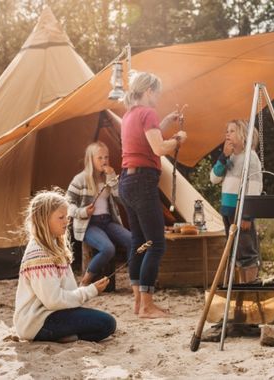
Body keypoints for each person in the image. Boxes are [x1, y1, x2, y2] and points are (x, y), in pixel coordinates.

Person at [118, 71, 187, 319]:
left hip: (126, 180)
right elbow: (158, 147)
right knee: (156, 244)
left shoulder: (129, 115)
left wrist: (166, 121)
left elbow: (148, 136)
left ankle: (138, 303)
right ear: (148, 91)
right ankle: (148, 306)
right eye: (157, 92)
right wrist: (178, 139)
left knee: (139, 242)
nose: (158, 96)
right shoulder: (148, 113)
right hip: (142, 181)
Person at [13, 189, 116, 343]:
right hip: (36, 322)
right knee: (106, 323)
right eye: (60, 217)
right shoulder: (39, 253)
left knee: (103, 321)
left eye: (66, 217)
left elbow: (65, 294)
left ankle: (63, 335)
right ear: (43, 220)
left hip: (53, 313)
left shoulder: (53, 245)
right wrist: (90, 291)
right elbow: (53, 301)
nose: (66, 222)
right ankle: (58, 335)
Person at [67, 141, 131, 286]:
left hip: (107, 221)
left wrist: (113, 178)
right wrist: (82, 211)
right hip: (89, 224)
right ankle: (85, 281)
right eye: (100, 158)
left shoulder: (109, 176)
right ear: (91, 159)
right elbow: (67, 204)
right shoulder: (80, 179)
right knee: (108, 249)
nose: (104, 161)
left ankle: (135, 280)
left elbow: (120, 199)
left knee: (131, 240)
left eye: (106, 157)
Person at [210, 119, 262, 283]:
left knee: (246, 252)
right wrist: (223, 157)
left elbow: (255, 187)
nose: (227, 134)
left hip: (241, 212)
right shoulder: (229, 157)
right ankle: (241, 288)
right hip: (228, 211)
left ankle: (250, 287)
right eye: (227, 131)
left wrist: (248, 216)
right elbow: (214, 179)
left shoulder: (250, 158)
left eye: (232, 131)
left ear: (243, 135)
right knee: (235, 252)